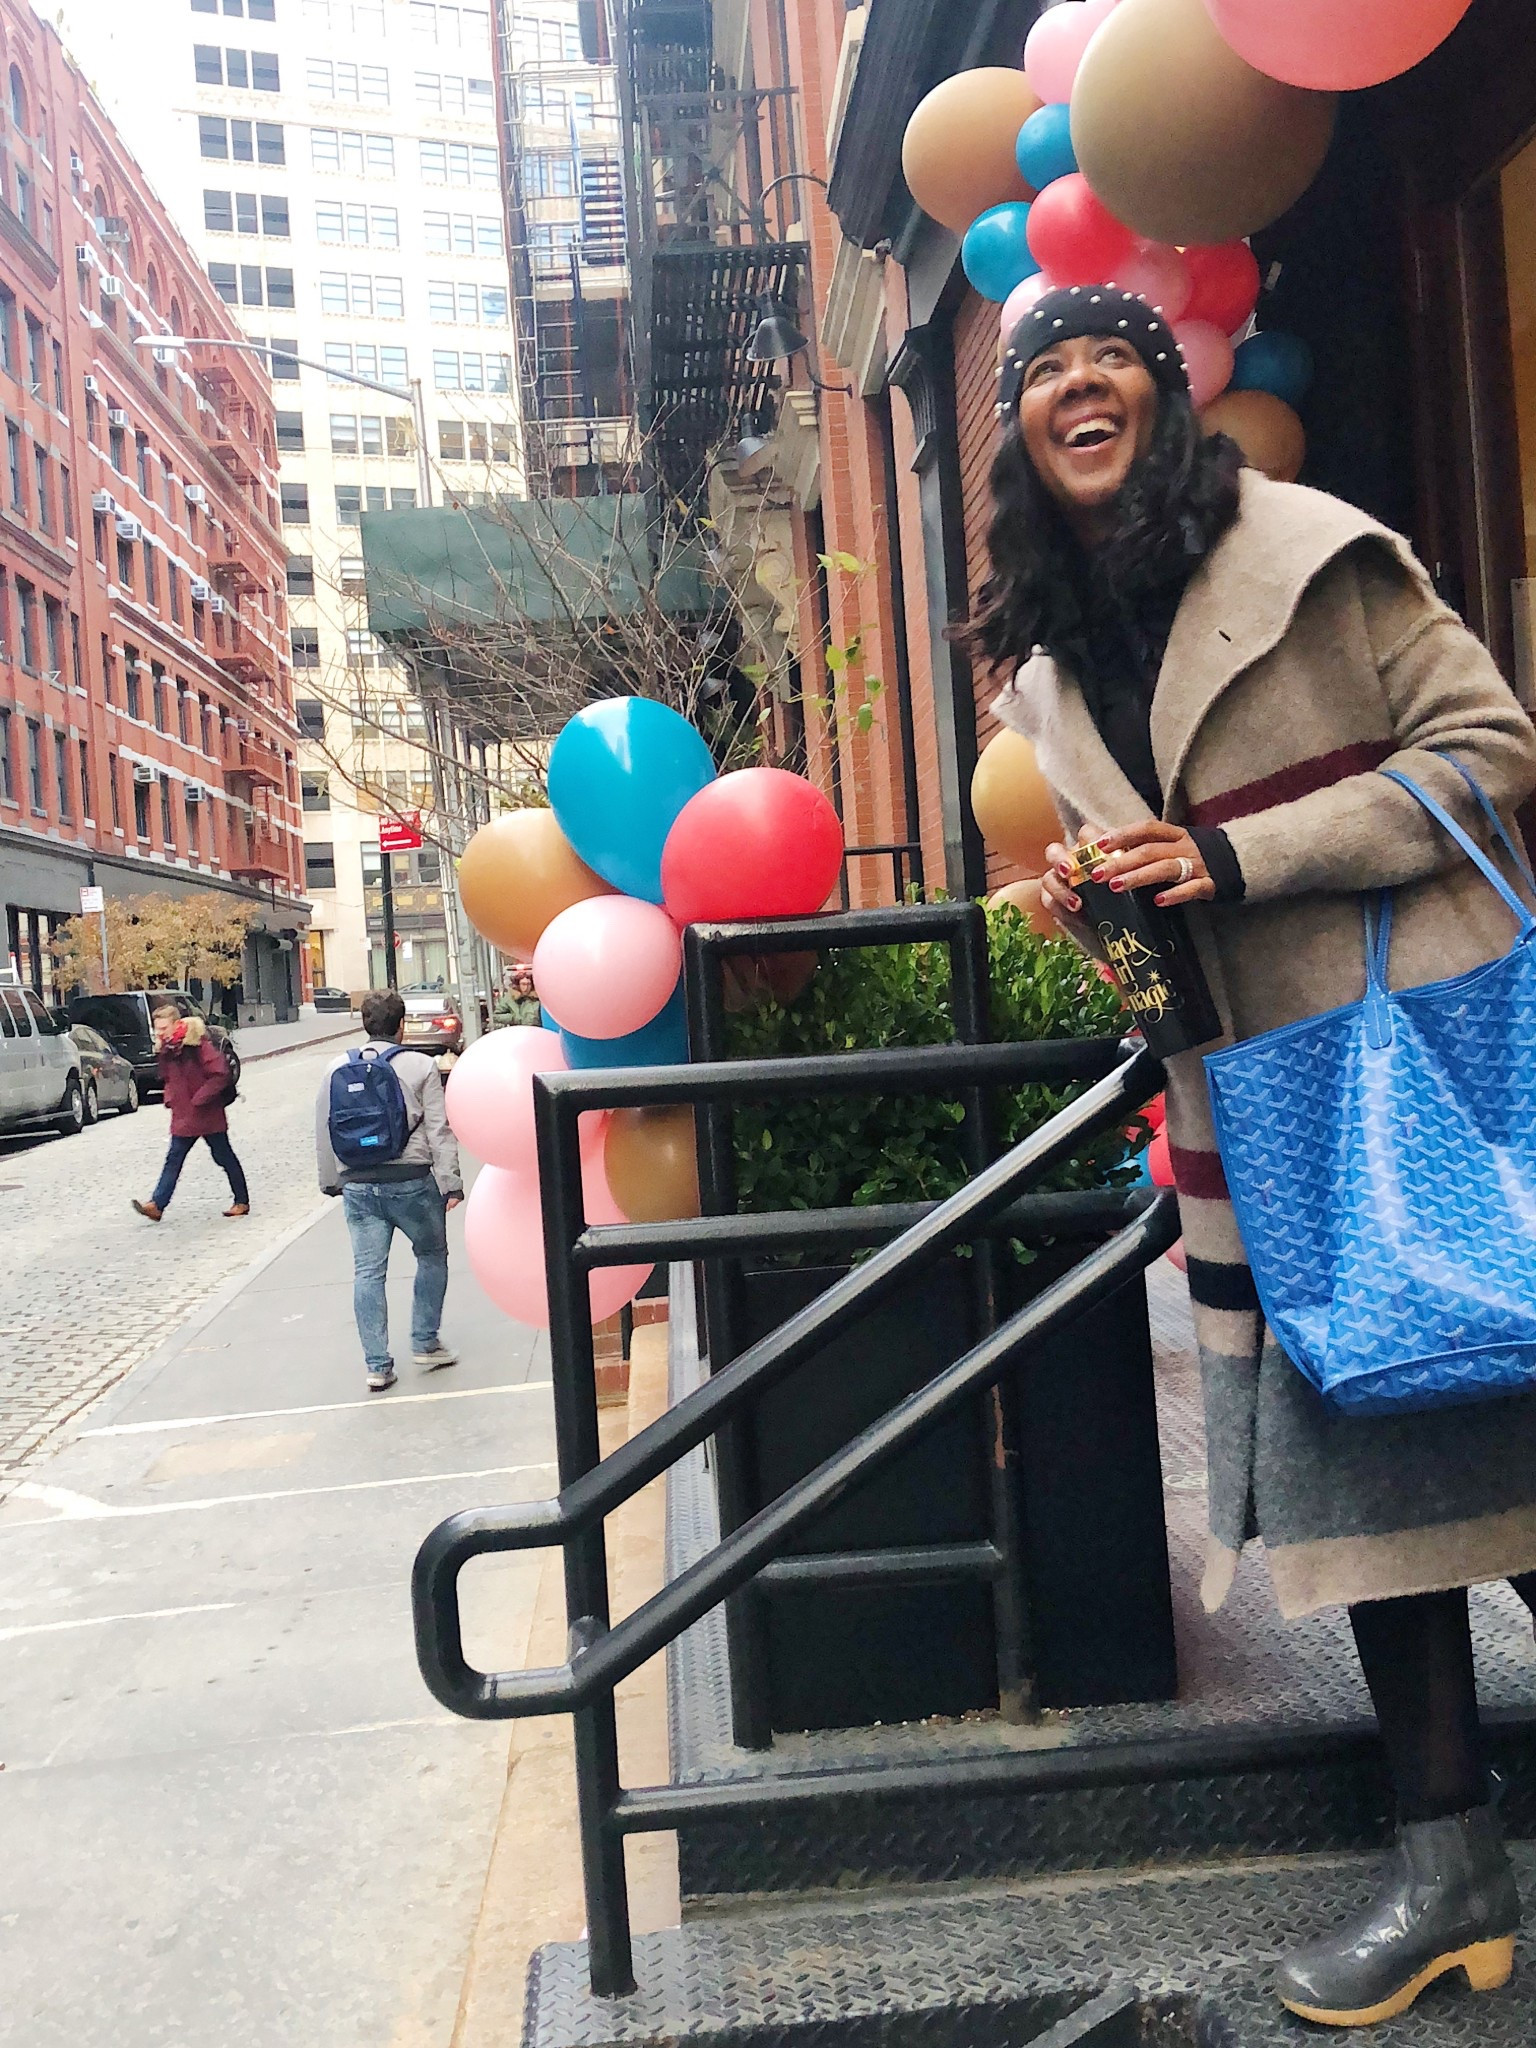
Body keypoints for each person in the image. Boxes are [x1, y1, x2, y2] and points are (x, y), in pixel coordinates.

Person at [971, 284, 1536, 2029]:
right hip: (1253, 1118)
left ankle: (1453, 1865)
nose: (1076, 386)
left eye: (1105, 359)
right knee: (1362, 1493)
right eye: (1041, 372)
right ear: (1018, 430)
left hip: (1426, 1071)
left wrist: (1237, 856)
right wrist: (1100, 910)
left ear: (1162, 387)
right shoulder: (1047, 659)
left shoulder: (1314, 551)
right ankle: (1448, 1875)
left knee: (1508, 1427)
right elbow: (1155, 908)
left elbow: (1491, 750)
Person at [316, 986, 463, 1392]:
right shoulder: (421, 1066)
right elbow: (439, 1129)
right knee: (432, 1255)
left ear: (365, 1025)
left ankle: (377, 1365)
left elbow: (324, 1131)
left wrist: (332, 1181)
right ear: (402, 1027)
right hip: (411, 1181)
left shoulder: (334, 1069)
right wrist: (450, 1182)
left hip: (360, 1185)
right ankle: (425, 1340)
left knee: (367, 1272)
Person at [132, 1005, 248, 1221]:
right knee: (174, 1158)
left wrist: (200, 1099)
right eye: (157, 1029)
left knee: (223, 1156)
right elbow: (169, 1077)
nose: (160, 1033)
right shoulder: (167, 1048)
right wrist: (171, 1097)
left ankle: (241, 1200)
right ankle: (157, 1205)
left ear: (177, 1024)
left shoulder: (197, 1044)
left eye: (163, 1028)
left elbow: (220, 1073)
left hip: (206, 1113)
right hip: (184, 1114)